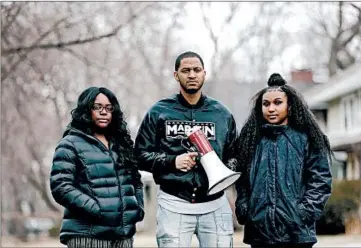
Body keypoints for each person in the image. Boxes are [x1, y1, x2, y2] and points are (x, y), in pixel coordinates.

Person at [134, 51, 238, 247]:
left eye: (197, 70)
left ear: (204, 73)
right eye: (186, 70)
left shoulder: (222, 114)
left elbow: (236, 155)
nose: (192, 75)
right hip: (174, 203)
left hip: (215, 203)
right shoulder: (159, 112)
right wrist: (172, 162)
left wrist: (221, 166)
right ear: (176, 75)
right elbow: (139, 155)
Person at [234, 73, 333, 248]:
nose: (271, 108)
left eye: (277, 102)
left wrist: (303, 213)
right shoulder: (250, 141)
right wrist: (244, 207)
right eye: (266, 104)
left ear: (290, 105)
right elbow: (242, 181)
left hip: (297, 234)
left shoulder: (307, 139)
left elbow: (321, 180)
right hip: (259, 234)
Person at [50, 87, 144, 248]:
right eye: (97, 107)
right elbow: (61, 186)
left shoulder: (122, 144)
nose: (103, 112)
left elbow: (136, 181)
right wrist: (97, 209)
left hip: (123, 236)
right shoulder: (70, 143)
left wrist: (137, 208)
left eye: (108, 108)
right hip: (88, 234)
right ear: (86, 110)